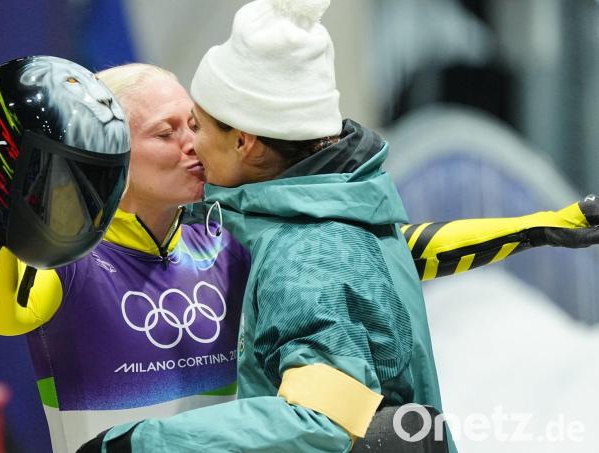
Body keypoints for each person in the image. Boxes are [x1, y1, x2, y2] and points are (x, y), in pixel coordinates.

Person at [71, 1, 599, 452]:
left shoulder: (304, 257)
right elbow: (400, 253)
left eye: (198, 126)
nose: (192, 145)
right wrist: (537, 227)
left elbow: (323, 418)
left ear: (244, 142)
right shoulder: (341, 204)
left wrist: (139, 441)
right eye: (170, 132)